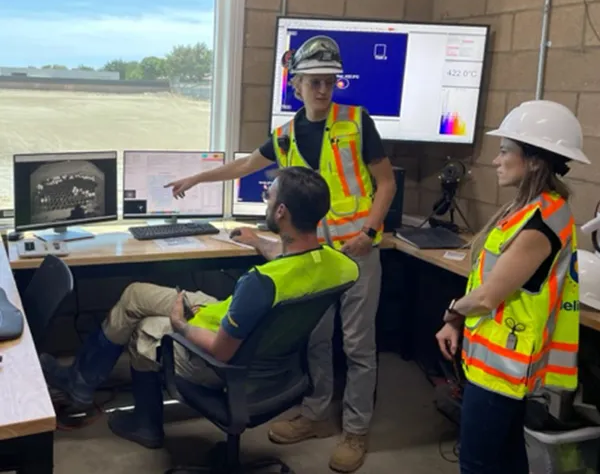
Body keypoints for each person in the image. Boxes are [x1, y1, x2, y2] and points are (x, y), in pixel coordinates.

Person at [166, 35, 397, 472]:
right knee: (313, 338)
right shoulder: (288, 134)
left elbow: (386, 183)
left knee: (357, 345)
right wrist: (197, 179)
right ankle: (314, 415)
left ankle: (355, 430)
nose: (323, 90)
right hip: (315, 256)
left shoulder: (356, 122)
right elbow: (245, 165)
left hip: (358, 252)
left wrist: (368, 232)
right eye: (314, 82)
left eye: (329, 81)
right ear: (297, 85)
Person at [40, 166, 360, 450]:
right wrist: (259, 241)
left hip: (219, 357)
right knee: (135, 295)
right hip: (256, 342)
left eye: (269, 196)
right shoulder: (341, 266)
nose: (266, 201)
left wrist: (180, 326)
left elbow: (220, 352)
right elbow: (294, 262)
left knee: (146, 329)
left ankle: (145, 424)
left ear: (281, 212)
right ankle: (79, 383)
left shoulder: (259, 283)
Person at [435, 100, 590, 474]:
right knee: (505, 459)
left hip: (503, 369)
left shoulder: (542, 224)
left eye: (505, 151)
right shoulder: (532, 209)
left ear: (534, 160)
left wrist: (453, 312)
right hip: (496, 359)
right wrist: (460, 322)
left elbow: (489, 295)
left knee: (478, 463)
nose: (496, 160)